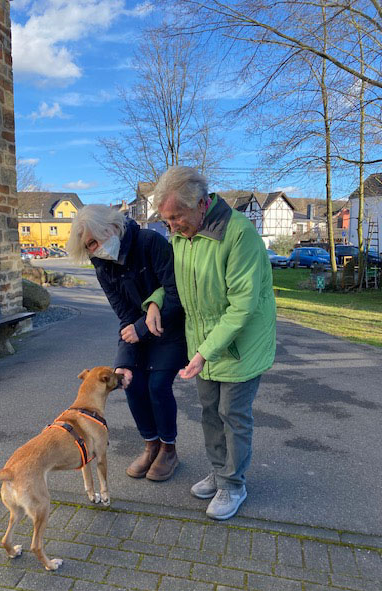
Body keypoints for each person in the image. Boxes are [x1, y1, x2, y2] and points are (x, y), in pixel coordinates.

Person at [145, 166, 276, 519]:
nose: (172, 226)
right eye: (166, 219)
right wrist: (155, 301)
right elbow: (175, 283)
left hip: (241, 345)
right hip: (202, 344)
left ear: (202, 204)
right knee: (209, 413)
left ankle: (234, 485)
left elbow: (243, 305)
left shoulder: (239, 234)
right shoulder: (182, 236)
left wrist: (205, 352)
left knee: (232, 415)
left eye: (177, 217)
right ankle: (220, 473)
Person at [66, 204, 187, 482]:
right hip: (138, 333)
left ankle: (168, 449)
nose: (95, 249)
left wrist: (142, 327)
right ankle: (151, 444)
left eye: (95, 241)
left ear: (110, 227)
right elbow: (124, 315)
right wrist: (124, 362)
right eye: (89, 247)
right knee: (130, 382)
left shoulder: (149, 242)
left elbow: (175, 293)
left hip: (169, 327)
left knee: (158, 386)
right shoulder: (102, 266)